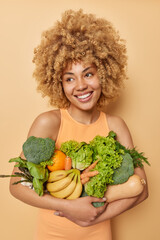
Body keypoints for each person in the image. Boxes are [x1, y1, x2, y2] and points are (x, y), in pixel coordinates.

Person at [9, 9, 148, 240]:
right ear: (59, 84)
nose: (80, 86)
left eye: (88, 74)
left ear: (104, 73)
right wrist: (69, 207)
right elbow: (16, 186)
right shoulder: (49, 123)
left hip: (98, 235)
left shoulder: (116, 126)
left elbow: (141, 190)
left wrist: (93, 217)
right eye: (69, 78)